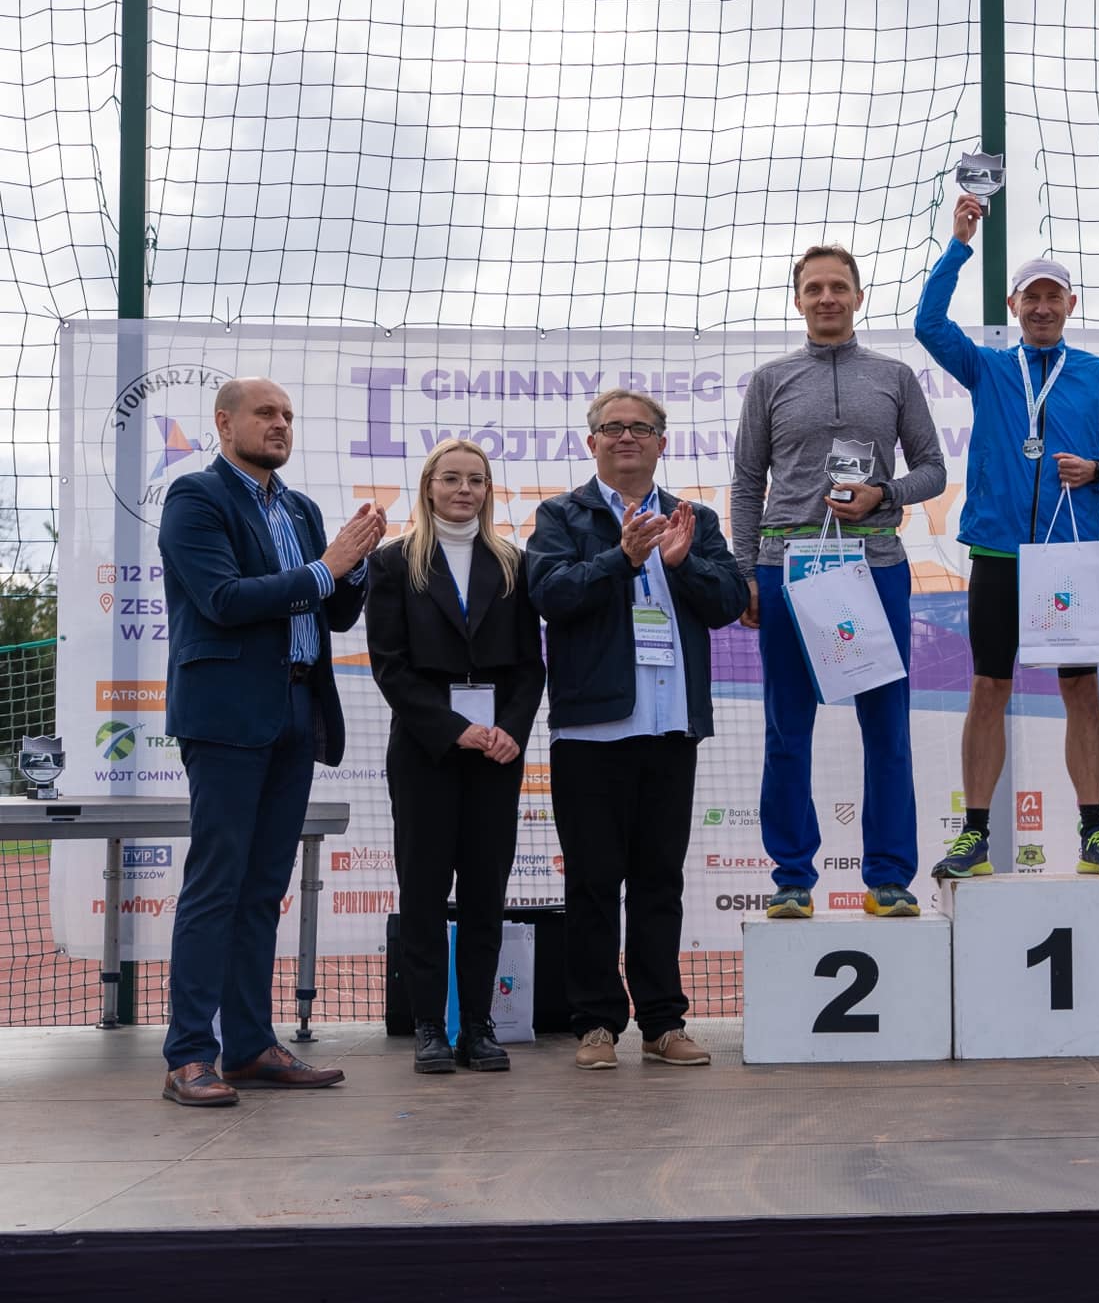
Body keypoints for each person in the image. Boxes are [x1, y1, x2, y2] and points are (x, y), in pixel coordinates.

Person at [157, 376, 384, 1107]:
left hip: (297, 707)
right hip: (227, 714)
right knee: (217, 885)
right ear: (224, 424)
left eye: (287, 414)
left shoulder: (301, 508)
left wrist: (356, 564)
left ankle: (250, 1047)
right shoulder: (196, 497)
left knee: (263, 890)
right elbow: (223, 600)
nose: (281, 423)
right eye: (265, 413)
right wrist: (327, 567)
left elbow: (333, 612)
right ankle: (190, 1055)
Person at [915, 193, 1099, 879]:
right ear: (1014, 306)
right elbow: (928, 324)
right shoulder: (988, 367)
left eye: (1053, 297)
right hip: (997, 552)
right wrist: (960, 243)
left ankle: (1095, 834)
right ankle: (975, 836)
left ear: (1071, 304)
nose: (1042, 308)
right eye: (1031, 298)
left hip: (1065, 556)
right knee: (989, 687)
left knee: (1080, 690)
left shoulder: (1097, 375)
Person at [527, 389, 751, 1072]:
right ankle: (596, 1024)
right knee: (593, 884)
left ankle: (662, 1023)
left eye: (641, 428)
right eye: (612, 428)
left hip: (670, 728)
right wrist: (620, 558)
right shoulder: (562, 515)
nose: (627, 437)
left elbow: (728, 603)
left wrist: (682, 563)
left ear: (661, 442)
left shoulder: (694, 519)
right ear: (591, 442)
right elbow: (550, 594)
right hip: (592, 732)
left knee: (658, 882)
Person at [731, 244, 947, 920]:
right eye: (814, 289)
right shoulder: (770, 380)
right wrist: (745, 573)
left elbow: (933, 469)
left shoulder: (894, 376)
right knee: (786, 730)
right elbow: (747, 483)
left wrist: (884, 493)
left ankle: (888, 878)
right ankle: (792, 877)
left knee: (886, 729)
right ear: (798, 300)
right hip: (786, 567)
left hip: (873, 567)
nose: (827, 298)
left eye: (838, 287)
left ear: (858, 296)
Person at [367, 439, 544, 1075]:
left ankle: (477, 1025)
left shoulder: (514, 564)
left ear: (488, 490)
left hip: (496, 753)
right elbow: (390, 666)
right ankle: (428, 1027)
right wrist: (452, 729)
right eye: (451, 479)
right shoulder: (393, 563)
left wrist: (511, 731)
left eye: (476, 480)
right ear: (429, 487)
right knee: (422, 890)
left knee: (484, 892)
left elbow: (529, 666)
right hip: (427, 751)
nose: (464, 490)